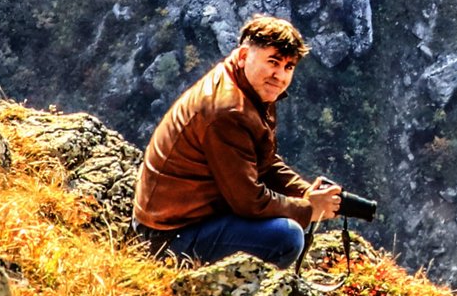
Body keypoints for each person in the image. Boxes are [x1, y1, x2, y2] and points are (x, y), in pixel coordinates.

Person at [134, 13, 345, 265]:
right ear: (245, 55)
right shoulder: (228, 111)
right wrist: (308, 209)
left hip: (182, 218)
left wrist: (304, 191)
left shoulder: (249, 87)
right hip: (167, 238)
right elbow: (250, 202)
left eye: (288, 67)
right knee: (286, 237)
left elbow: (261, 159)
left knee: (284, 224)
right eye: (273, 62)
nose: (280, 75)